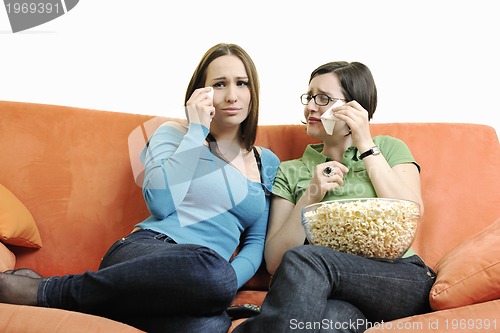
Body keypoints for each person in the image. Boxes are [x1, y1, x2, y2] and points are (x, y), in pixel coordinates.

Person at [0, 43, 280, 333]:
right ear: (201, 93)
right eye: (220, 84)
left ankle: (73, 297)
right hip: (147, 251)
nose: (232, 95)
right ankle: (49, 291)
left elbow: (256, 243)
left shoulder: (266, 162)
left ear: (253, 91)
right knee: (212, 273)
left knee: (207, 326)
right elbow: (161, 204)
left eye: (241, 83)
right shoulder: (174, 134)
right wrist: (197, 130)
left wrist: (223, 284)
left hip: (201, 279)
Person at [233, 61, 436, 333]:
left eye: (323, 98)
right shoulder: (292, 170)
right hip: (331, 294)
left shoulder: (387, 148)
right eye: (309, 97)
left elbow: (411, 211)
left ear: (354, 108)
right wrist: (312, 193)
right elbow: (275, 261)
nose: (311, 107)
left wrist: (365, 144)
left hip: (398, 278)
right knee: (331, 322)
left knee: (307, 257)